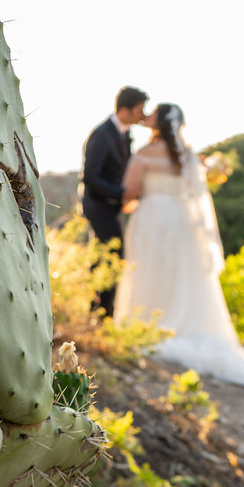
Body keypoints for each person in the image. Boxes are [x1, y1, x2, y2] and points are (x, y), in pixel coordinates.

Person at [113, 103, 244, 396]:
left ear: (158, 124)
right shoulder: (189, 156)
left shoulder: (144, 154)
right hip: (181, 224)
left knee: (148, 270)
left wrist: (129, 202)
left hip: (152, 219)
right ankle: (173, 322)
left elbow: (129, 193)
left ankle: (143, 323)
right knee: (177, 274)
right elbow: (196, 200)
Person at [81, 86, 148, 315]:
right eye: (140, 110)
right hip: (98, 207)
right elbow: (90, 178)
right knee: (112, 258)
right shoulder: (101, 134)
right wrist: (122, 194)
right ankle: (102, 314)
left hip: (112, 208)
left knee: (104, 258)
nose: (143, 115)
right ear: (126, 110)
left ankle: (97, 313)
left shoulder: (125, 133)